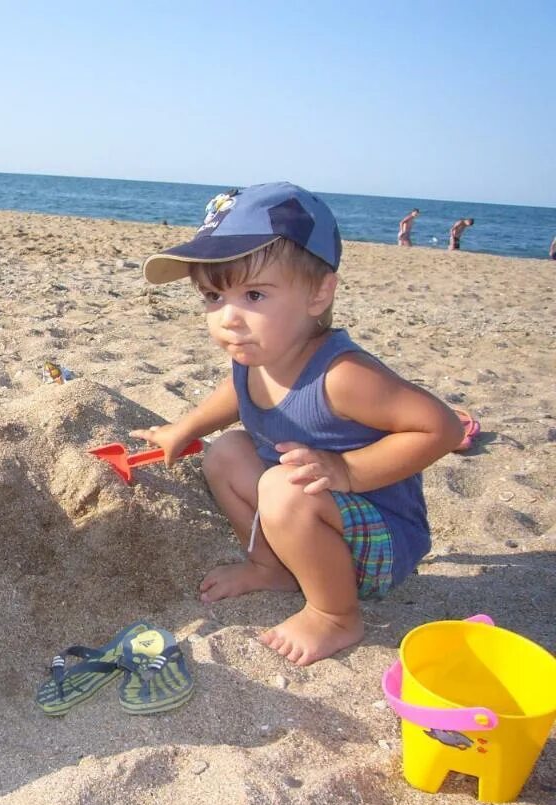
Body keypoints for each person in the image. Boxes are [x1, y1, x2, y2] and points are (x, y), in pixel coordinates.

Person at [133, 183, 463, 666]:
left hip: (378, 540)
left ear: (318, 293)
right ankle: (274, 567)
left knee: (285, 487)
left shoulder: (343, 376)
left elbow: (442, 429)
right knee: (226, 452)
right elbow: (236, 392)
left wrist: (348, 469)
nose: (228, 318)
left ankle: (335, 615)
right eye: (212, 296)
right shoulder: (257, 354)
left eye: (254, 294)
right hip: (307, 516)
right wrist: (183, 428)